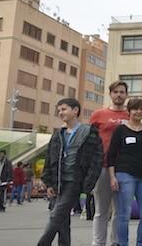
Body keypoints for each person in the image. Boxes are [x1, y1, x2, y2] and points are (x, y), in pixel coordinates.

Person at [38, 98, 103, 246]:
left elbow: (97, 159)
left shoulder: (89, 133)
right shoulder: (58, 134)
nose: (61, 112)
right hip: (58, 181)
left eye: (64, 109)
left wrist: (89, 182)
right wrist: (48, 182)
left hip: (74, 180)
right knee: (62, 220)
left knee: (56, 215)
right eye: (59, 110)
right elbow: (50, 158)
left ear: (75, 111)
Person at [108, 98, 142, 246]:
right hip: (124, 174)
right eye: (135, 109)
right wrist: (112, 177)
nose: (139, 112)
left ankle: (140, 243)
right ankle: (123, 243)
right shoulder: (120, 130)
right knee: (124, 214)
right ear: (129, 111)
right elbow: (111, 155)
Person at [90, 80, 130, 246]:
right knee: (101, 211)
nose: (119, 95)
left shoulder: (131, 115)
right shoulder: (98, 115)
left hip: (124, 168)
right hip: (103, 167)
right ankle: (98, 242)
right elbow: (89, 141)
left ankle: (116, 242)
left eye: (122, 92)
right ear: (110, 94)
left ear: (126, 95)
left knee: (120, 211)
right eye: (116, 92)